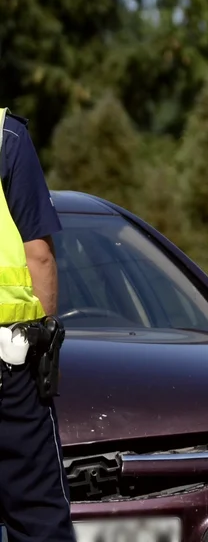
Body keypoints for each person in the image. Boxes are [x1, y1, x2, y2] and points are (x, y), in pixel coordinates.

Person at [0, 107, 76, 542]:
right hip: (8, 366)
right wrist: (45, 337)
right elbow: (39, 256)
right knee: (38, 515)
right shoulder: (5, 136)